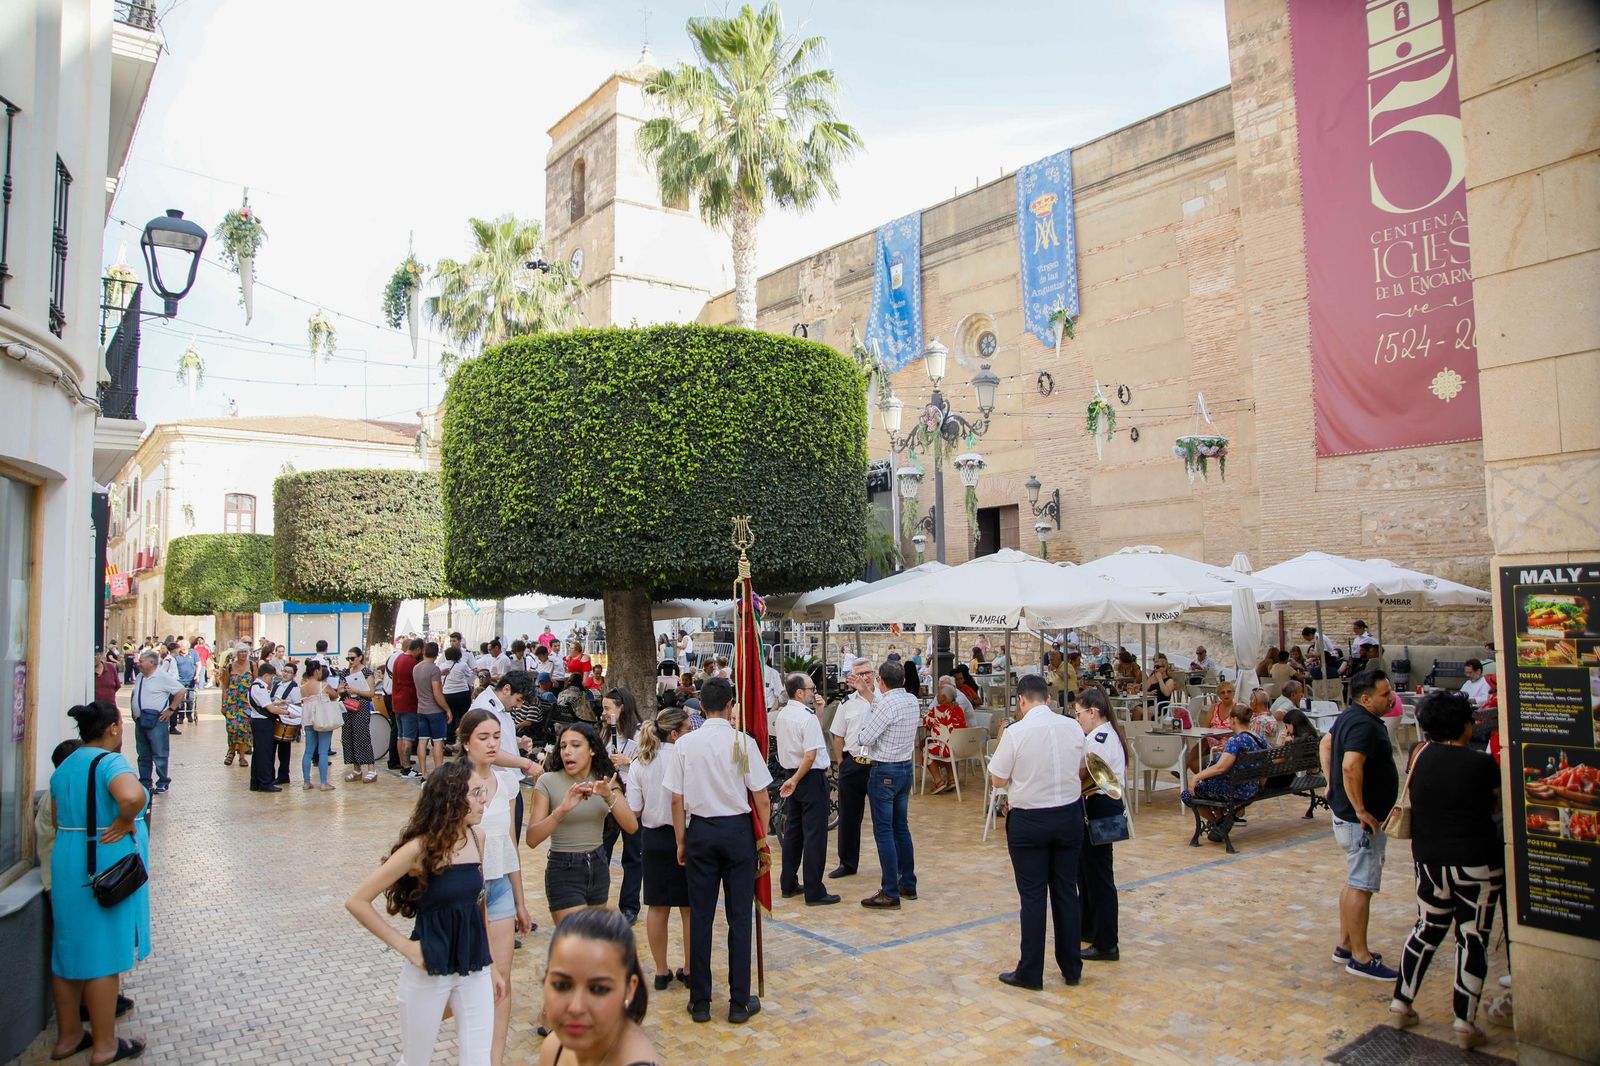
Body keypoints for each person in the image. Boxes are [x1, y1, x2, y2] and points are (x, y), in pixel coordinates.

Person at [345, 761, 504, 1065]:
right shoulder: (419, 849)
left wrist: (493, 966)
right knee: (415, 1059)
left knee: (478, 1059)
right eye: (476, 793)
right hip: (430, 964)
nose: (484, 799)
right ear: (452, 799)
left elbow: (478, 905)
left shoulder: (477, 838)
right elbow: (358, 901)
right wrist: (405, 947)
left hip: (474, 964)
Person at [1387, 690, 1504, 1051]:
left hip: (1430, 860)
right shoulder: (1481, 765)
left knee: (1425, 930)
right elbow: (1497, 805)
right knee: (1472, 937)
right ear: (1465, 725)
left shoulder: (1418, 756)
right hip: (1475, 860)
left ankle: (1401, 1002)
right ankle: (1463, 1020)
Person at [47, 702, 150, 1064]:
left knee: (67, 951)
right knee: (103, 956)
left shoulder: (68, 764)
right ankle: (106, 1045)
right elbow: (132, 796)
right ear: (112, 728)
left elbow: (59, 815)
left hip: (67, 857)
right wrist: (125, 820)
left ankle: (68, 1037)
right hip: (101, 862)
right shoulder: (109, 762)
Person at [665, 675, 771, 1024]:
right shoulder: (742, 742)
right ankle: (739, 1001)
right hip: (736, 830)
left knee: (702, 915)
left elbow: (677, 799)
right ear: (729, 706)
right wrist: (762, 836)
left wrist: (682, 838)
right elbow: (760, 795)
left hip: (702, 830)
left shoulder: (685, 744)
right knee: (739, 916)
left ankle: (700, 1000)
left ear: (701, 704)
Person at [988, 673, 1086, 990]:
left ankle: (1031, 970)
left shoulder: (1017, 732)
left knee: (1032, 898)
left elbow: (997, 779)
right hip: (1068, 815)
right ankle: (1072, 967)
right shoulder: (1072, 726)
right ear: (1047, 698)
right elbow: (1083, 765)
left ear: (1021, 700)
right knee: (1066, 893)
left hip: (1030, 820)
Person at [457, 710, 533, 1065]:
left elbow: (511, 845)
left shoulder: (507, 784)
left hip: (500, 886)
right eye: (483, 737)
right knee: (469, 979)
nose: (491, 744)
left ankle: (495, 1058)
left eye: (495, 737)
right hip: (464, 890)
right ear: (466, 741)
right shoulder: (452, 783)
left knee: (501, 979)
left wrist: (520, 901)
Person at [1320, 669, 1401, 982]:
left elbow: (1326, 745)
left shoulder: (1349, 717)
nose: (1391, 697)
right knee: (1361, 885)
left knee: (1354, 880)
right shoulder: (1363, 724)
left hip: (1348, 815)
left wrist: (1330, 784)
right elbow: (1351, 764)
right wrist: (1361, 808)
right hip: (1359, 822)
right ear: (1366, 698)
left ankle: (1345, 945)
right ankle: (1360, 957)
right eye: (1384, 693)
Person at [527, 722, 635, 923]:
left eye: (575, 745)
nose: (567, 752)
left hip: (598, 865)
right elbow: (532, 839)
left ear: (592, 749)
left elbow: (631, 826)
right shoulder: (548, 781)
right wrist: (562, 810)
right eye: (563, 746)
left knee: (592, 941)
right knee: (575, 940)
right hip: (563, 867)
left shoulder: (606, 781)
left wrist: (609, 797)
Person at [535, 908, 662, 1066]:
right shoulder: (555, 1046)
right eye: (561, 985)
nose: (576, 1007)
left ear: (629, 989)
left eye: (598, 989)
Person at [627, 707, 693, 990]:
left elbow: (634, 809)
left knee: (657, 906)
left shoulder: (640, 763)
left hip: (653, 836)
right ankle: (690, 968)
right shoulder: (686, 759)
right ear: (675, 733)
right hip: (686, 834)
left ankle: (660, 970)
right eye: (689, 729)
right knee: (689, 907)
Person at [855, 661, 922, 909]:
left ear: (881, 681)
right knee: (901, 828)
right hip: (904, 767)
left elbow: (865, 737)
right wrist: (870, 697)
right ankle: (908, 882)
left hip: (885, 769)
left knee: (884, 832)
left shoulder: (887, 704)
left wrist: (870, 706)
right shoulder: (911, 700)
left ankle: (890, 891)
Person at [775, 673, 840, 906]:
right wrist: (797, 779)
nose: (815, 692)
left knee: (794, 830)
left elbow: (807, 741)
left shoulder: (784, 714)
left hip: (791, 773)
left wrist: (819, 713)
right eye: (811, 688)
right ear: (800, 692)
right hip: (808, 777)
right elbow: (811, 755)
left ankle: (788, 882)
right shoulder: (805, 716)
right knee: (814, 835)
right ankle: (814, 890)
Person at [1073, 688, 1127, 962]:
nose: (1077, 718)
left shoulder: (1099, 737)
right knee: (1088, 874)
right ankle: (1091, 927)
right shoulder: (1103, 734)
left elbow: (1086, 774)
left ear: (1092, 712)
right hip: (1099, 805)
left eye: (1079, 713)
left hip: (1100, 805)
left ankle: (1106, 942)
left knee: (1099, 877)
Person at [1181, 703, 1270, 839]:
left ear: (1233, 720)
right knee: (1209, 787)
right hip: (1251, 788)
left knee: (1188, 794)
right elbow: (1265, 764)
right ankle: (1221, 819)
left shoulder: (1236, 741)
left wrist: (1196, 777)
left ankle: (1218, 822)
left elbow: (1221, 767)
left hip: (1234, 790)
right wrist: (1261, 785)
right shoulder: (1259, 738)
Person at [600, 689, 645, 924]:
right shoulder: (606, 733)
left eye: (608, 708)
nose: (604, 713)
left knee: (633, 856)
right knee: (601, 854)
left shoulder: (641, 733)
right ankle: (597, 902)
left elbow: (651, 762)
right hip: (608, 802)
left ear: (622, 708)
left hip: (633, 802)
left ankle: (629, 906)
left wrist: (629, 761)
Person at [828, 657, 875, 880]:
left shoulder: (882, 699)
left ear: (874, 674)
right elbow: (838, 736)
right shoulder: (847, 703)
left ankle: (892, 863)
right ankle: (847, 862)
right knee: (848, 817)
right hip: (853, 763)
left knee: (884, 816)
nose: (864, 677)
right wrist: (841, 763)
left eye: (867, 672)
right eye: (859, 674)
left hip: (877, 765)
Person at [129, 649, 184, 794]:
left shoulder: (162, 676)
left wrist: (170, 710)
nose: (138, 664)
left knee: (159, 752)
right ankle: (145, 781)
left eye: (141, 661)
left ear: (151, 663)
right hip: (140, 720)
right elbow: (135, 693)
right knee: (143, 752)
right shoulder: (141, 676)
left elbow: (180, 691)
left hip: (156, 720)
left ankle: (163, 781)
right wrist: (133, 711)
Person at [338, 648, 379, 783]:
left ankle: (371, 769)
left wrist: (356, 690)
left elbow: (371, 693)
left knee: (362, 736)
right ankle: (356, 769)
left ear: (360, 657)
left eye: (352, 658)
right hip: (347, 707)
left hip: (361, 708)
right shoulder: (345, 672)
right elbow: (340, 691)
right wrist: (341, 690)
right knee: (348, 737)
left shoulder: (366, 672)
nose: (350, 661)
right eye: (348, 658)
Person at [921, 684, 968, 796]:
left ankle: (938, 781)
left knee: (926, 748)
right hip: (961, 747)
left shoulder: (937, 710)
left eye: (938, 694)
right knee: (943, 744)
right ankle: (951, 779)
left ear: (943, 698)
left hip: (948, 749)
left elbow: (927, 724)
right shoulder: (959, 710)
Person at [247, 662, 287, 793]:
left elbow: (266, 703)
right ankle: (265, 783)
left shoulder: (257, 686)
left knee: (259, 753)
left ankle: (256, 782)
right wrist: (287, 712)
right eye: (271, 677)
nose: (271, 680)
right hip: (262, 723)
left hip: (259, 722)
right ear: (266, 676)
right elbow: (270, 709)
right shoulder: (259, 687)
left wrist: (277, 703)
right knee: (265, 754)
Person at [299, 661, 338, 791]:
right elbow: (335, 696)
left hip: (308, 720)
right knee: (323, 752)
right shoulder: (323, 685)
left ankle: (306, 782)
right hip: (322, 720)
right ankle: (323, 783)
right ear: (316, 671)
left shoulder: (303, 687)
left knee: (308, 751)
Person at [414, 642, 450, 778]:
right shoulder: (434, 669)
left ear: (424, 652)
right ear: (436, 654)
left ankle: (423, 772)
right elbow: (436, 692)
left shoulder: (416, 668)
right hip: (435, 711)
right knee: (437, 742)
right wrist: (447, 709)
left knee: (422, 741)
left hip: (421, 709)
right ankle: (439, 773)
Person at [391, 638, 423, 777]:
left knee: (400, 736)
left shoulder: (399, 658)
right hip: (409, 703)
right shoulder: (412, 663)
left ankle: (403, 764)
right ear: (418, 649)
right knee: (408, 737)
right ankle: (407, 767)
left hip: (397, 702)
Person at [219, 648, 253, 769]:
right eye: (241, 651)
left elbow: (257, 683)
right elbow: (225, 686)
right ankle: (231, 751)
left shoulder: (252, 665)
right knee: (232, 728)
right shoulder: (230, 666)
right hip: (232, 702)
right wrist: (223, 704)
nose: (243, 654)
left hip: (247, 703)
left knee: (244, 730)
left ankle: (242, 756)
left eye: (245, 651)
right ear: (236, 653)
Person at [270, 660, 303, 786]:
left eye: (289, 672)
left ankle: (283, 775)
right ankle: (271, 775)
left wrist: (285, 704)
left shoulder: (294, 688)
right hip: (275, 718)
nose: (286, 674)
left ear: (294, 675)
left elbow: (298, 705)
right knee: (272, 750)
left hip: (286, 720)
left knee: (283, 751)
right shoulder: (277, 685)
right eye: (285, 671)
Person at [443, 645, 476, 727]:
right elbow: (468, 674)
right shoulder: (463, 665)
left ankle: (450, 736)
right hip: (462, 692)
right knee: (463, 715)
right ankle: (463, 733)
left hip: (447, 693)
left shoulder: (442, 666)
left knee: (451, 715)